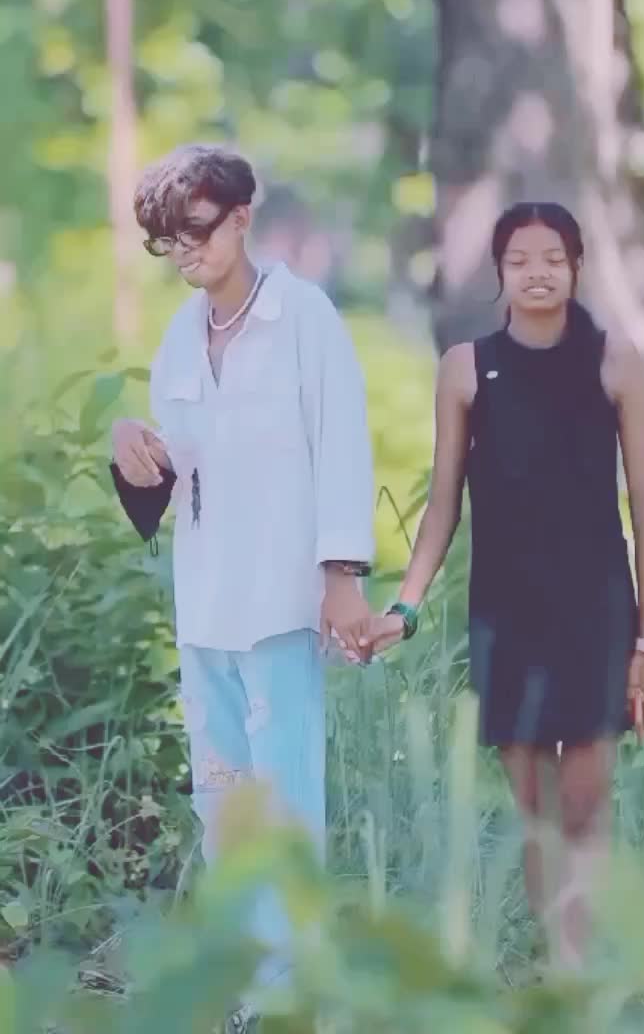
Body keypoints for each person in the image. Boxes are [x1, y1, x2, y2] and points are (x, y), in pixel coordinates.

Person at [110, 144, 375, 1031]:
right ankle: (245, 990)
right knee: (221, 800)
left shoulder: (304, 318)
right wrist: (132, 448)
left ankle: (294, 994)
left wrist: (342, 577)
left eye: (196, 230)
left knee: (285, 801)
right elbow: (174, 484)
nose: (185, 252)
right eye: (167, 241)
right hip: (207, 609)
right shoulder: (178, 340)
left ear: (241, 217)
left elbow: (341, 445)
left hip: (282, 604)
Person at [369, 202, 644, 969]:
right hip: (505, 611)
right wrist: (406, 603)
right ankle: (559, 960)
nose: (538, 273)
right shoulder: (466, 367)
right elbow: (443, 501)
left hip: (597, 609)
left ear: (577, 267)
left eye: (554, 258)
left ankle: (575, 973)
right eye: (520, 260)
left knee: (584, 802)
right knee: (535, 808)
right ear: (499, 271)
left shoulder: (616, 360)